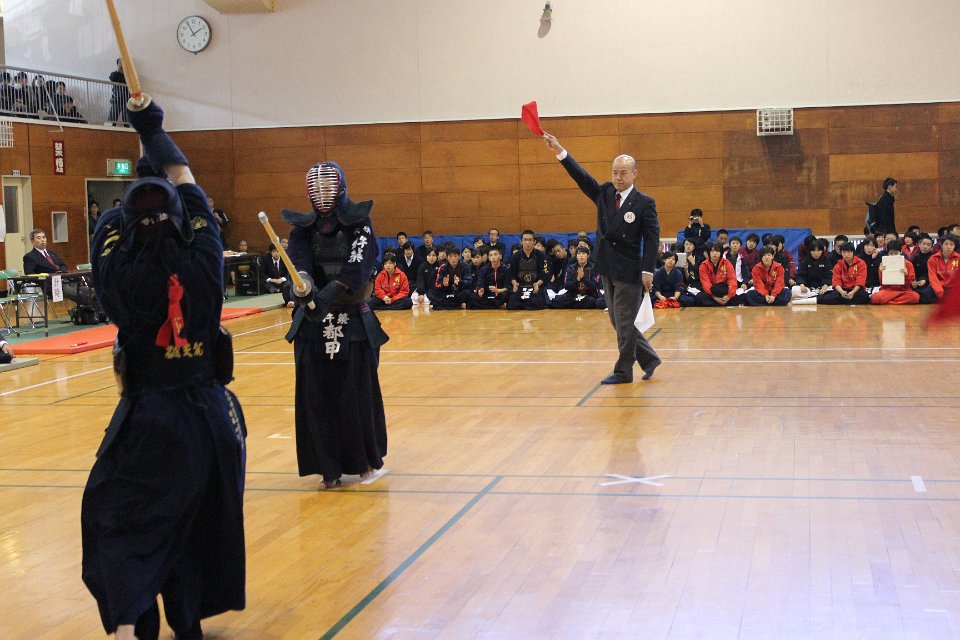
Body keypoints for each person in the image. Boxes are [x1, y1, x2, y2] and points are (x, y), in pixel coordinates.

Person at [82, 98, 246, 640]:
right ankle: (186, 621)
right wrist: (151, 127)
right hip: (210, 419)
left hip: (149, 422)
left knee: (122, 520)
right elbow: (185, 180)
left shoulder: (121, 278)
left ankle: (138, 617)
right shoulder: (204, 258)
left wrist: (138, 181)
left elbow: (111, 227)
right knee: (196, 523)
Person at [283, 160, 388, 489]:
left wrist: (330, 293)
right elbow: (299, 260)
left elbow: (359, 266)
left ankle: (363, 461)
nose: (323, 195)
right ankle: (326, 467)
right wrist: (302, 284)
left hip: (352, 318)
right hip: (313, 322)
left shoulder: (360, 223)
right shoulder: (302, 228)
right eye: (316, 189)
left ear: (341, 188)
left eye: (328, 188)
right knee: (316, 396)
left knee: (355, 393)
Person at [544, 133, 661, 384]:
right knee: (618, 321)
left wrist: (648, 271)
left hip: (629, 270)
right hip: (606, 265)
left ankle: (623, 371)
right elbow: (582, 178)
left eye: (623, 173)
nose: (618, 178)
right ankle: (649, 358)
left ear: (634, 174)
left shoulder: (644, 203)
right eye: (615, 173)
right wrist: (560, 151)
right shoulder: (605, 192)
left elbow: (652, 239)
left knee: (624, 322)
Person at [506, 229, 549, 311]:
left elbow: (545, 274)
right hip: (520, 286)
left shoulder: (541, 256)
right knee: (512, 305)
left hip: (536, 285)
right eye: (525, 240)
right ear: (521, 241)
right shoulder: (515, 257)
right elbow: (511, 274)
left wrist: (538, 284)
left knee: (537, 304)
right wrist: (514, 283)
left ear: (534, 242)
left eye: (530, 240)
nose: (527, 242)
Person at [871, 240, 918, 305]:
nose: (893, 256)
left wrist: (906, 275)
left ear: (900, 252)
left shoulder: (908, 264)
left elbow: (909, 285)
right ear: (888, 253)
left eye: (896, 253)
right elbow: (882, 284)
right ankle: (898, 301)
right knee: (876, 298)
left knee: (915, 297)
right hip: (888, 291)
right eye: (891, 253)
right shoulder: (883, 264)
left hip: (903, 291)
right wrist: (881, 272)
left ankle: (890, 301)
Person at [695, 242, 740, 307]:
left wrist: (728, 296)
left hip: (724, 291)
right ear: (709, 252)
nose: (715, 253)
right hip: (712, 293)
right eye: (712, 251)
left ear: (721, 252)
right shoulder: (703, 265)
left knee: (738, 298)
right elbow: (706, 284)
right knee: (699, 297)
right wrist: (715, 298)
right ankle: (720, 303)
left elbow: (732, 280)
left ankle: (720, 303)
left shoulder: (727, 263)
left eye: (717, 251)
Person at [427, 245, 469, 309]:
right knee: (430, 293)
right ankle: (456, 305)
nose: (453, 258)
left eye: (455, 256)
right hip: (446, 293)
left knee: (467, 293)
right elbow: (437, 284)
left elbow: (469, 282)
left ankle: (443, 305)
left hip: (459, 292)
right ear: (447, 257)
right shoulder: (443, 267)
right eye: (450, 256)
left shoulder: (465, 266)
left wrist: (460, 282)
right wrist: (444, 284)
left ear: (459, 256)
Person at [927, 234, 960, 301]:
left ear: (954, 246)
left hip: (954, 287)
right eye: (946, 244)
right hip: (939, 287)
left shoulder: (959, 258)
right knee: (924, 296)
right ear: (942, 245)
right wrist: (940, 292)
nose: (948, 247)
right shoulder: (932, 259)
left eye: (951, 244)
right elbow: (933, 277)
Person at [911, 234, 937, 303]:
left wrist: (926, 281)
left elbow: (935, 274)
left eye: (928, 245)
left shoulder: (934, 258)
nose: (925, 246)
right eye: (924, 244)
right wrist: (913, 281)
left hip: (929, 283)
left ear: (931, 247)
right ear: (919, 245)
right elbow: (911, 272)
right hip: (916, 283)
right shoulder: (914, 257)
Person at [108, 58, 130, 126]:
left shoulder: (128, 75)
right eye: (120, 63)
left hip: (127, 100)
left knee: (127, 119)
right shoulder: (114, 74)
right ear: (117, 64)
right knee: (112, 119)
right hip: (116, 99)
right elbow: (112, 78)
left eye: (123, 63)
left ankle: (127, 130)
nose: (122, 64)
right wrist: (118, 69)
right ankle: (109, 130)